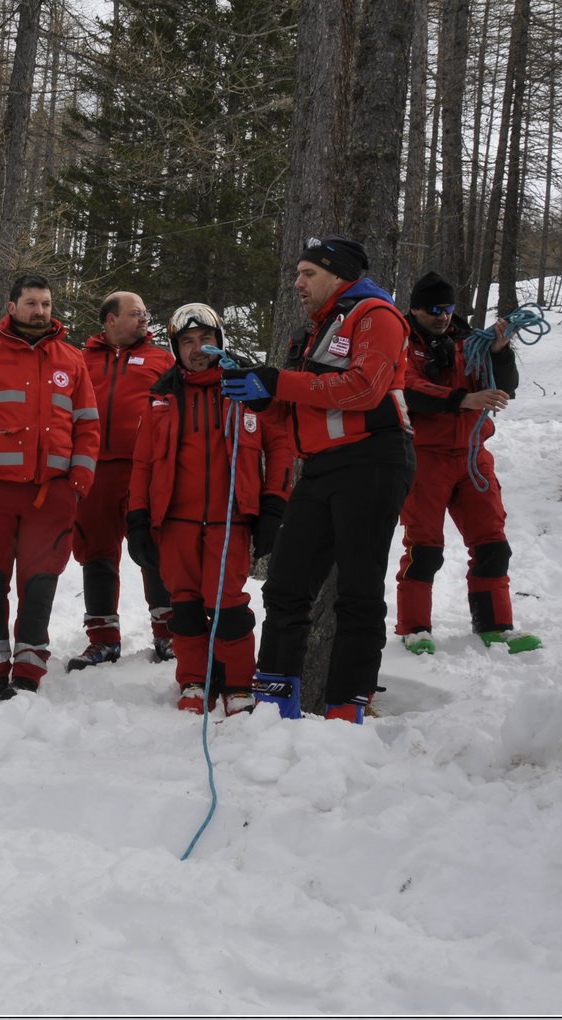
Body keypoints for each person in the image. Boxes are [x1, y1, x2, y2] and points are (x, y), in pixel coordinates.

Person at [220, 235, 415, 724]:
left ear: (338, 274)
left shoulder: (377, 315)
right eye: (297, 273)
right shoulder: (313, 332)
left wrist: (278, 383)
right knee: (285, 584)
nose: (298, 283)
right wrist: (266, 398)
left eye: (308, 273)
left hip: (373, 461)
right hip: (322, 467)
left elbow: (365, 388)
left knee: (357, 589)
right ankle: (274, 701)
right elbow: (305, 407)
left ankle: (347, 705)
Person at [128, 304, 293, 715]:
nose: (198, 349)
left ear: (219, 343)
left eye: (206, 340)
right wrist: (137, 516)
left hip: (231, 520)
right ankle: (194, 681)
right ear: (176, 348)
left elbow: (281, 447)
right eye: (187, 342)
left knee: (230, 607)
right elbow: (143, 462)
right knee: (183, 608)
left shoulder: (248, 390)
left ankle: (237, 684)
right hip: (176, 522)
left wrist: (274, 505)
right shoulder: (161, 396)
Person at [0, 274, 101, 701]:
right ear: (12, 308)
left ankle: (29, 671)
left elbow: (88, 424)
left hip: (52, 496)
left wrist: (79, 480)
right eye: (32, 303)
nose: (40, 311)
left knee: (40, 584)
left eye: (46, 303)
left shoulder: (71, 359)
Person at [393, 271, 541, 655]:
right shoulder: (400, 341)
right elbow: (407, 389)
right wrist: (461, 398)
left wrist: (500, 351)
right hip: (426, 457)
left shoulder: (469, 341)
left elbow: (505, 387)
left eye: (447, 308)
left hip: (474, 455)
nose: (442, 316)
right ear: (415, 308)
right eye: (433, 310)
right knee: (424, 548)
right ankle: (414, 628)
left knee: (493, 544)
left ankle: (495, 625)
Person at [68, 290, 176, 670]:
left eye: (145, 313)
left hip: (143, 471)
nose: (145, 319)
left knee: (153, 547)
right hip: (94, 470)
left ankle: (168, 634)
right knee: (96, 551)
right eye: (135, 313)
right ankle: (102, 638)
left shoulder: (163, 360)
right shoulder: (80, 360)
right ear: (111, 319)